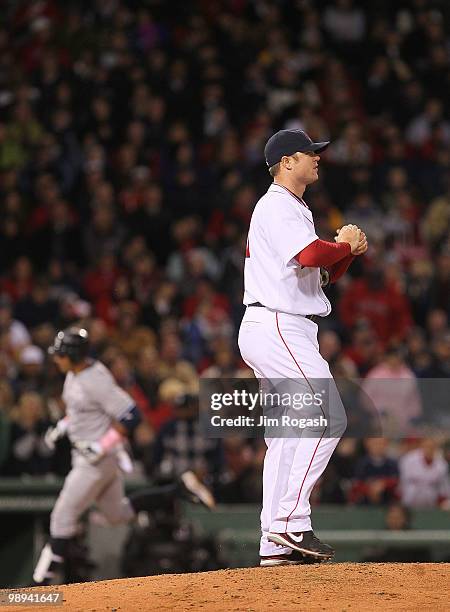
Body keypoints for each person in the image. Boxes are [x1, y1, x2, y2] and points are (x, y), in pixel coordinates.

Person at [238, 129, 368, 567]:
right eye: (310, 153)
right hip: (278, 324)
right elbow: (314, 255)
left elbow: (321, 276)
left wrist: (346, 254)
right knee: (327, 417)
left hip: (277, 323)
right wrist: (343, 244)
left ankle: (274, 543)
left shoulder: (292, 208)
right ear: (287, 162)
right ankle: (290, 522)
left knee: (287, 435)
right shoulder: (275, 204)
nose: (317, 158)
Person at [32, 327, 215, 585]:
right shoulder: (75, 373)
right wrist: (63, 426)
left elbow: (131, 415)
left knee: (62, 516)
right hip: (89, 455)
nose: (56, 359)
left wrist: (101, 445)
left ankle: (39, 587)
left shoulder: (95, 380)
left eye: (60, 354)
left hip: (95, 461)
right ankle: (178, 489)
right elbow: (83, 410)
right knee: (116, 514)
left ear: (73, 355)